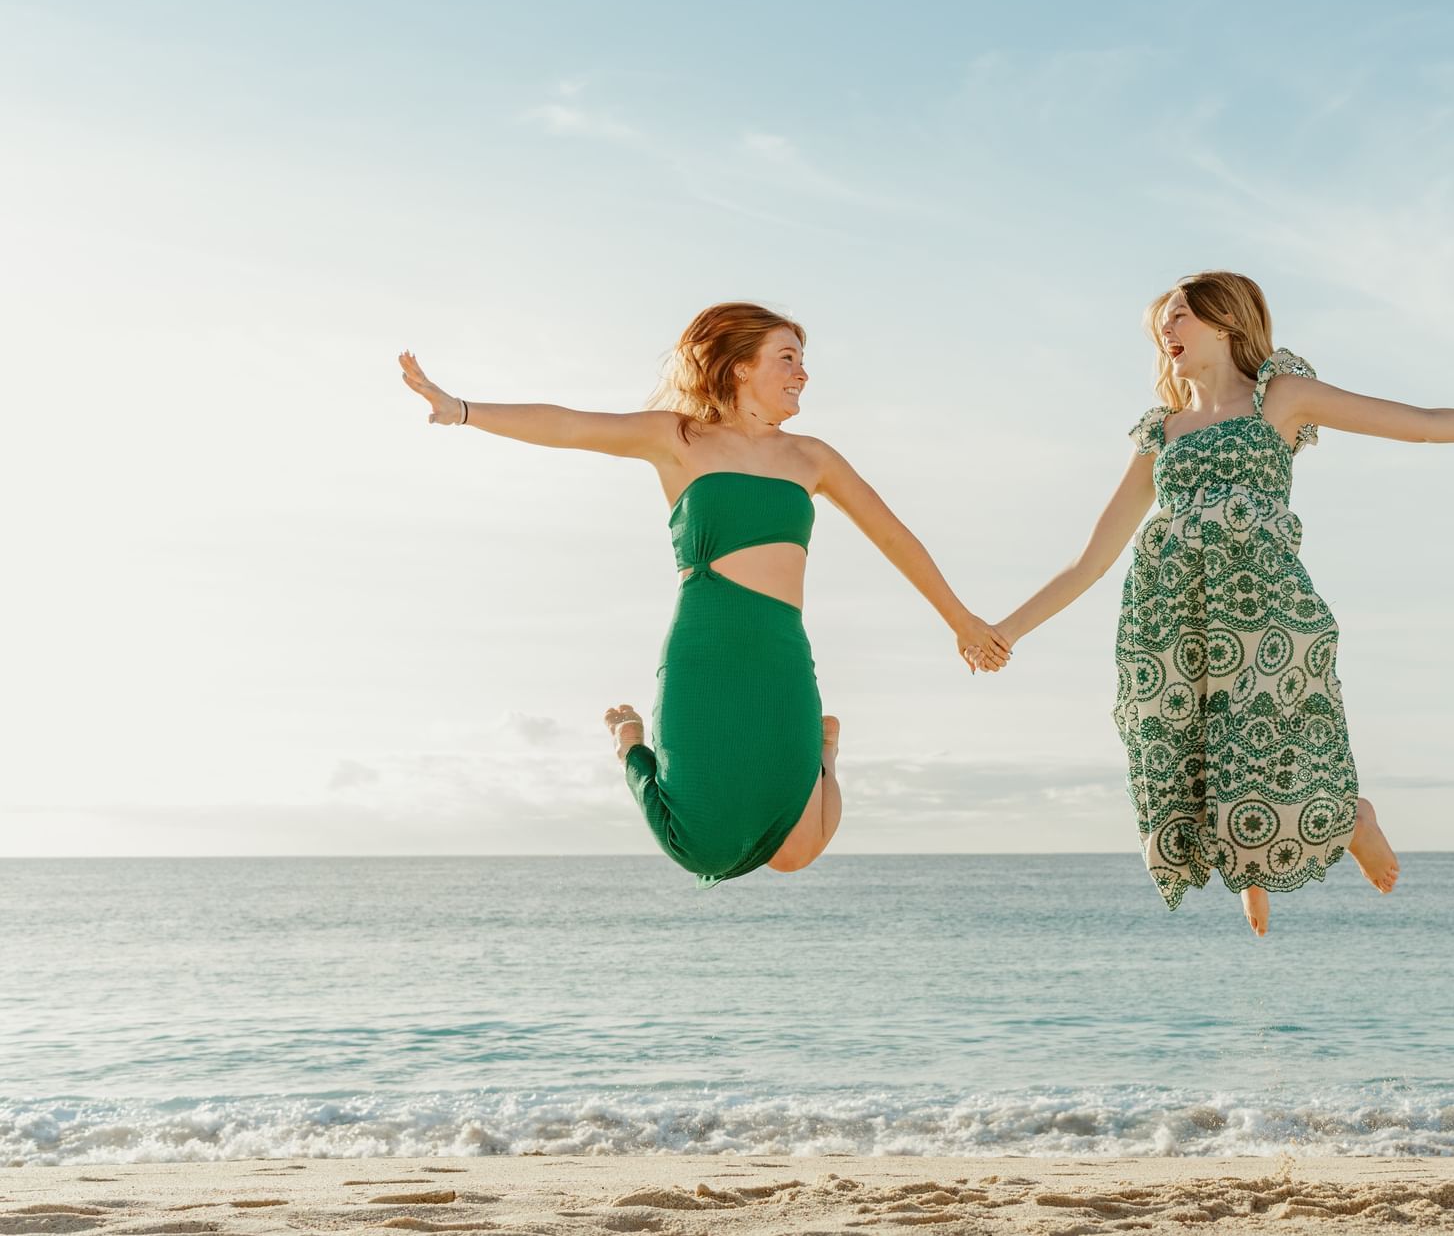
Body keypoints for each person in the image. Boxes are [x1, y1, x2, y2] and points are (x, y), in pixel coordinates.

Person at [997, 272, 1454, 935]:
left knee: (1268, 729)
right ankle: (1250, 865)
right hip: (1175, 617)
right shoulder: (1160, 434)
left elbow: (1424, 425)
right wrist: (1002, 630)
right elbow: (1089, 560)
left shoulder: (1280, 397)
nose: (1166, 331)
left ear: (1226, 322)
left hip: (1262, 601)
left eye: (1181, 316)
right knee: (1188, 744)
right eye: (1162, 322)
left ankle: (1350, 817)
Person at [398, 302, 1009, 884]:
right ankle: (630, 747)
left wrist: (961, 621)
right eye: (788, 358)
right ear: (743, 365)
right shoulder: (679, 439)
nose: (803, 373)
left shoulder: (811, 457)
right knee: (699, 849)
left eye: (801, 360)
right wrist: (463, 409)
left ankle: (824, 752)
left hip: (778, 652)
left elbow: (894, 536)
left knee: (795, 856)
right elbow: (568, 423)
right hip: (705, 647)